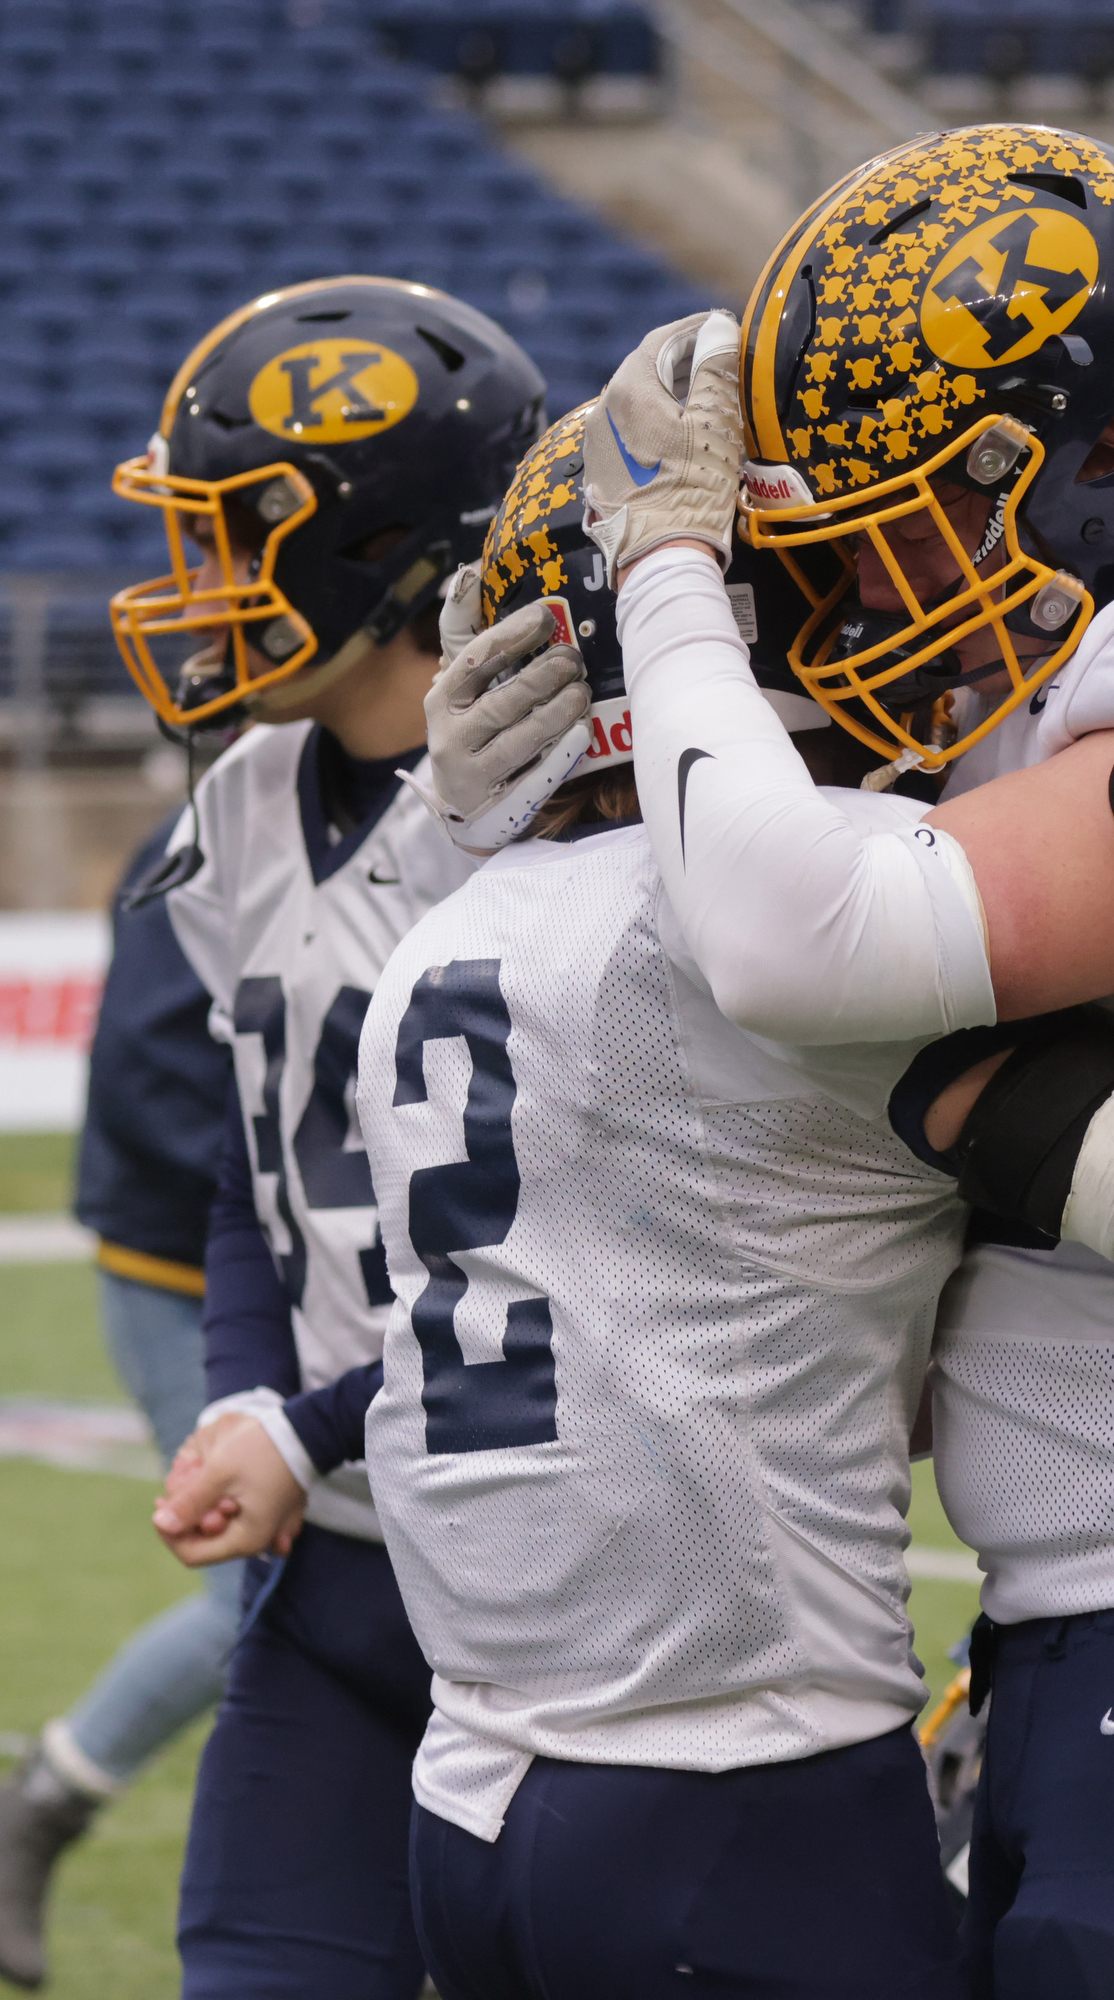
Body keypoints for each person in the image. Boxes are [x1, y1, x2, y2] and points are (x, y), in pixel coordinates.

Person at [153, 301, 1114, 1996]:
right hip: (747, 1776)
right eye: (828, 573)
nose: (882, 603)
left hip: (482, 1773)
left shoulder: (441, 939)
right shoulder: (785, 945)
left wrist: (469, 819)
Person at [104, 273, 548, 1999]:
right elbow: (252, 1166)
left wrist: (303, 1427)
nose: (197, 592)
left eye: (234, 542)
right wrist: (243, 1399)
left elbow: (565, 1254)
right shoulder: (245, 800)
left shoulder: (563, 820)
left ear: (383, 556)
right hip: (339, 1587)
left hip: (555, 1575)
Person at [0, 812, 234, 1991]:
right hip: (188, 1272)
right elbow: (151, 1073)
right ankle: (40, 1804)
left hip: (319, 1281)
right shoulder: (215, 825)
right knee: (267, 1590)